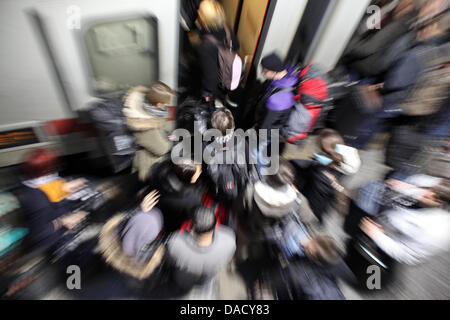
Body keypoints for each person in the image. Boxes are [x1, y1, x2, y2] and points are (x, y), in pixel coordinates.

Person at [351, 175, 450, 265]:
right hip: (388, 208)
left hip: (387, 231)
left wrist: (376, 235)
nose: (427, 192)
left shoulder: (438, 232)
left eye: (435, 196)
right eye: (431, 188)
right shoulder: (443, 187)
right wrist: (406, 187)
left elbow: (407, 254)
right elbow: (426, 186)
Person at [17, 148, 89, 253]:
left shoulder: (34, 182)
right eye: (52, 168)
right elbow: (39, 232)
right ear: (45, 171)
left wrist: (67, 188)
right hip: (53, 244)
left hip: (64, 233)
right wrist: (65, 220)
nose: (55, 171)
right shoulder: (38, 200)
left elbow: (53, 190)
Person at [292, 129, 361, 222]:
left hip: (314, 201)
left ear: (326, 153)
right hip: (326, 192)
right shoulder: (345, 158)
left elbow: (308, 172)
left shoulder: (321, 174)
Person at [166, 206, 236, 295]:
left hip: (183, 280)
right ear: (215, 224)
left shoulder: (175, 242)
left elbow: (170, 260)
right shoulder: (229, 238)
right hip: (206, 278)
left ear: (192, 229)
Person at [122, 82, 177, 182]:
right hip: (149, 165)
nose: (167, 105)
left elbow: (161, 125)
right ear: (158, 104)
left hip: (154, 158)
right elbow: (161, 149)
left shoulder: (149, 107)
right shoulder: (144, 126)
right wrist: (171, 140)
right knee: (151, 188)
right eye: (165, 103)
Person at [195, 0, 240, 107]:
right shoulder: (227, 29)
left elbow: (211, 76)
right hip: (227, 73)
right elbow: (236, 46)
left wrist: (207, 93)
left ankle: (214, 114)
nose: (197, 12)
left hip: (216, 82)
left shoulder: (204, 46)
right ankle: (223, 101)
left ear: (204, 18)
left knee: (209, 106)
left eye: (200, 11)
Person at [145, 157, 205, 232]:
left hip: (155, 206)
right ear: (189, 178)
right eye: (198, 171)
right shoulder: (192, 198)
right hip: (170, 221)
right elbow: (191, 214)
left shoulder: (160, 169)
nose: (200, 172)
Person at [204, 108, 252, 202]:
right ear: (233, 127)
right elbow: (249, 162)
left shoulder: (207, 146)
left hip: (219, 185)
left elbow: (207, 169)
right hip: (239, 183)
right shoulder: (242, 142)